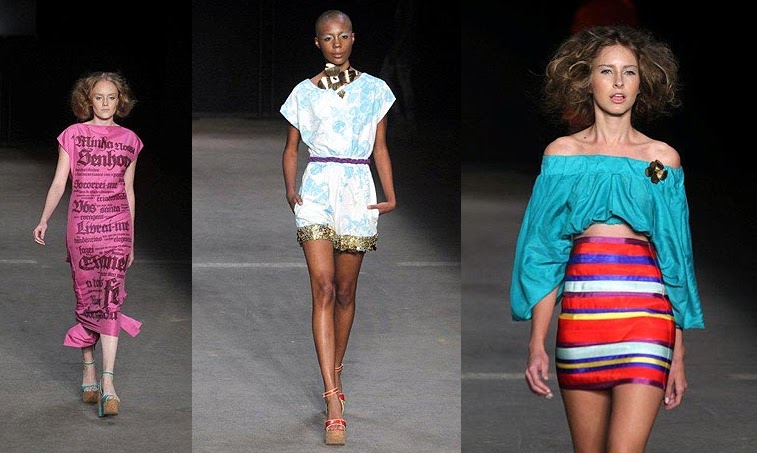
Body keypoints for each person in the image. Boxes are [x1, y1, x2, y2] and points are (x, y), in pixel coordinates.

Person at [510, 25, 705, 452]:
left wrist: (679, 350)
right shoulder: (562, 156)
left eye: (629, 72)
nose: (618, 82)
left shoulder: (660, 160)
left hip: (647, 323)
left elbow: (675, 254)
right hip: (581, 322)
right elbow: (545, 253)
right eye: (606, 71)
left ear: (643, 82)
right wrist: (536, 343)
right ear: (585, 79)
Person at [280, 9, 396, 446]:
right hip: (317, 190)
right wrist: (291, 189)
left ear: (353, 38)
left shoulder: (375, 90)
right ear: (318, 43)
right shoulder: (303, 93)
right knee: (324, 288)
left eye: (343, 36)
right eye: (328, 38)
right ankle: (332, 398)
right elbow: (291, 147)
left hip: (356, 189)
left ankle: (336, 370)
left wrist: (390, 193)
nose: (337, 44)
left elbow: (380, 146)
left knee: (346, 291)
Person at [33, 71, 144, 417]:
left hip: (116, 228)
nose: (105, 103)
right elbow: (59, 183)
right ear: (88, 100)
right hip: (82, 229)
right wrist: (44, 219)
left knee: (110, 300)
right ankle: (88, 368)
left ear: (120, 101)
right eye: (99, 97)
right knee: (87, 299)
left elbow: (129, 191)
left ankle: (108, 383)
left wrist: (131, 238)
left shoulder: (130, 140)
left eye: (111, 97)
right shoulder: (72, 135)